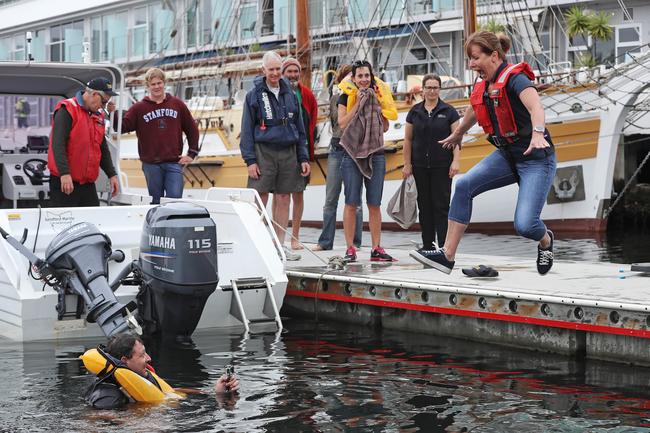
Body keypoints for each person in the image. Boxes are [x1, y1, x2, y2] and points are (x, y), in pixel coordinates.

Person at [410, 31, 557, 275]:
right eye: (469, 59)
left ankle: (546, 241)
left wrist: (538, 133)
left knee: (525, 225)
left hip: (535, 159)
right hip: (507, 157)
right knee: (464, 184)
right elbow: (474, 110)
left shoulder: (515, 79)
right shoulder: (485, 84)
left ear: (494, 56)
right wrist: (459, 133)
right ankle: (447, 255)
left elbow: (536, 107)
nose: (471, 64)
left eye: (475, 58)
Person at [240, 51, 311, 261]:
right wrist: (250, 160)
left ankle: (279, 244)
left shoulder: (290, 93)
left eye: (277, 69)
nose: (274, 73)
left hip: (288, 151)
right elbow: (246, 130)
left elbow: (300, 127)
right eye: (270, 69)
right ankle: (258, 242)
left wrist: (303, 157)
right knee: (259, 198)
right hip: (264, 151)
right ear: (263, 70)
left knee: (283, 197)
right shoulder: (253, 96)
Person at [109, 67, 199, 204]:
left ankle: (172, 225)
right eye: (153, 84)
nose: (157, 87)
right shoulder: (139, 108)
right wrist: (112, 113)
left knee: (175, 200)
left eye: (159, 83)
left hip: (174, 162)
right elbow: (123, 127)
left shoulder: (177, 104)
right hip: (151, 165)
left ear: (164, 83)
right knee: (156, 201)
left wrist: (191, 153)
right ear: (147, 86)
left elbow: (192, 128)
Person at [337, 60, 398, 262]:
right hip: (351, 154)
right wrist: (359, 104)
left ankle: (376, 248)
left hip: (376, 152)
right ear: (353, 78)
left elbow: (386, 127)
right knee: (351, 202)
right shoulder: (345, 95)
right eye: (360, 76)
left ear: (372, 78)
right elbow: (342, 124)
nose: (364, 79)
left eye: (367, 76)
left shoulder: (379, 96)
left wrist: (374, 106)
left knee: (374, 203)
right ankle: (350, 248)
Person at [85, 333, 239, 409]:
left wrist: (216, 393)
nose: (149, 358)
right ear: (125, 360)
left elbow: (170, 392)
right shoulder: (106, 395)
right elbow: (98, 422)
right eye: (142, 355)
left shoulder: (142, 376)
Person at [402, 74, 461, 250]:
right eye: (428, 87)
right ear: (423, 89)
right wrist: (407, 164)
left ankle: (444, 246)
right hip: (419, 166)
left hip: (442, 166)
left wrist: (455, 161)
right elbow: (407, 140)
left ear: (439, 90)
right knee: (424, 207)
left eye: (435, 87)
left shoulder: (449, 111)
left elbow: (456, 138)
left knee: (441, 206)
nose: (432, 91)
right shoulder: (415, 112)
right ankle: (428, 245)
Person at [47, 77, 119, 207]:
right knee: (64, 224)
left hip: (87, 184)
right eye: (103, 102)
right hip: (65, 181)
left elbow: (102, 148)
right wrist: (65, 174)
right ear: (94, 94)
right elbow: (57, 145)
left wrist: (112, 174)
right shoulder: (67, 109)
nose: (103, 107)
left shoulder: (98, 116)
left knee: (93, 221)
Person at [315, 64, 363, 251]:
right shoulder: (337, 98)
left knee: (355, 201)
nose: (353, 81)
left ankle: (356, 242)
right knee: (331, 199)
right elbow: (340, 123)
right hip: (337, 147)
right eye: (350, 78)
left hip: (355, 149)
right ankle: (326, 241)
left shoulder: (365, 97)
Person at [275, 57, 318, 251]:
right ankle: (279, 237)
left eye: (295, 71)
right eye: (289, 71)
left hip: (300, 149)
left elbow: (312, 123)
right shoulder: (275, 94)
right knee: (279, 194)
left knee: (298, 194)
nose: (292, 75)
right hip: (281, 150)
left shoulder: (306, 95)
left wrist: (307, 153)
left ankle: (296, 237)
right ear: (282, 73)